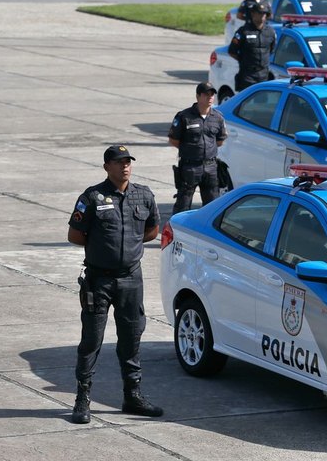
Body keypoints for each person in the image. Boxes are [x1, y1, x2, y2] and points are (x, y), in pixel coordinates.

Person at [67, 145, 163, 424]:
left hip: (131, 278)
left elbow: (152, 229)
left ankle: (132, 396)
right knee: (91, 341)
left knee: (131, 338)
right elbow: (75, 234)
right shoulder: (92, 197)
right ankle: (82, 399)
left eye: (128, 162)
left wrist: (128, 248)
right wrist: (102, 248)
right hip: (99, 280)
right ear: (106, 166)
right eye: (119, 162)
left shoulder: (144, 195)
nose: (125, 166)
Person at [168, 82, 228, 214]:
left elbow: (220, 141)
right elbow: (173, 139)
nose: (210, 97)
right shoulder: (184, 116)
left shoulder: (217, 117)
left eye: (212, 94)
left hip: (211, 167)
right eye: (206, 94)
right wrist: (191, 151)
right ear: (198, 96)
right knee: (183, 203)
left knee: (212, 206)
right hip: (190, 167)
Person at [228, 2, 276, 91]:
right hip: (247, 75)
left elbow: (271, 50)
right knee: (246, 103)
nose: (262, 16)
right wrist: (243, 60)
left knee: (262, 103)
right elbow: (232, 51)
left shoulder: (270, 32)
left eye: (264, 13)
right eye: (259, 13)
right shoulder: (243, 31)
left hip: (264, 75)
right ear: (253, 14)